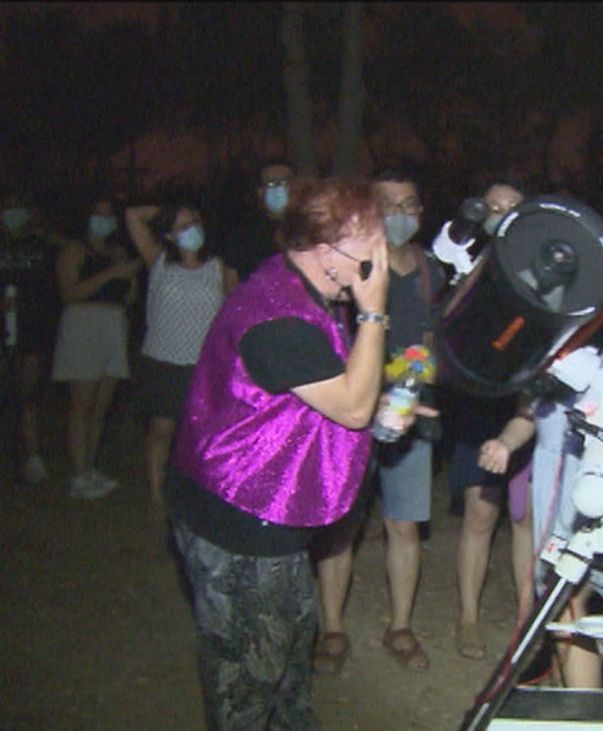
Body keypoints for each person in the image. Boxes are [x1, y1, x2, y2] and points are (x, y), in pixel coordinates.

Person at [168, 176, 420, 729]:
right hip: (239, 522)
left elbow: (323, 390)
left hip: (266, 514)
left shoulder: (305, 287)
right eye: (369, 248)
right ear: (328, 251)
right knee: (249, 677)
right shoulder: (277, 317)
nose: (377, 260)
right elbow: (350, 407)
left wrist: (376, 403)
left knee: (287, 660)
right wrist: (375, 311)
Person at [312, 169, 445, 674]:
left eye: (410, 205)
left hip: (412, 417)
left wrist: (417, 385)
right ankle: (331, 629)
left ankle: (401, 625)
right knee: (340, 527)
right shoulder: (350, 266)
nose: (400, 214)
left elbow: (433, 341)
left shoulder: (433, 270)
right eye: (388, 204)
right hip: (348, 415)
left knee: (404, 524)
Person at [477, 303, 603, 689]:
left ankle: (585, 711)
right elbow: (528, 415)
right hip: (552, 484)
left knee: (571, 603)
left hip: (593, 488)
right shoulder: (545, 348)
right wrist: (505, 443)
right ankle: (564, 693)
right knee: (555, 598)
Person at [448, 177, 536, 661]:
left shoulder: (542, 267)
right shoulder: (466, 266)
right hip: (482, 402)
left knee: (526, 517)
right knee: (481, 514)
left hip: (529, 402)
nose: (501, 214)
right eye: (493, 206)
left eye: (513, 206)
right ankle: (467, 618)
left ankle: (528, 619)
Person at [126, 201, 237, 522]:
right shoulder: (158, 261)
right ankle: (157, 496)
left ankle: (203, 495)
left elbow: (232, 310)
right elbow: (134, 215)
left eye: (195, 223)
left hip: (204, 365)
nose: (192, 231)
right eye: (183, 226)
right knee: (161, 431)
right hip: (163, 361)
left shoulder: (217, 266)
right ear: (169, 236)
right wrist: (168, 214)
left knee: (203, 437)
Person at [0, 193, 61, 485]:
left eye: (19, 207)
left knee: (28, 396)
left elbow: (64, 255)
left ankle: (33, 458)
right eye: (7, 208)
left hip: (31, 328)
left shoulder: (39, 245)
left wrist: (44, 233)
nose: (14, 213)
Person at [51, 198, 142, 498]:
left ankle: (90, 468)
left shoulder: (117, 252)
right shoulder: (74, 250)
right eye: (97, 215)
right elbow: (69, 293)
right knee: (82, 404)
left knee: (101, 405)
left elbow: (127, 297)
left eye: (108, 216)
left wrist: (129, 281)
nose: (103, 221)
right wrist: (109, 275)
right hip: (83, 325)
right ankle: (78, 474)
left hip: (112, 324)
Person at [220, 159, 293, 283]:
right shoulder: (242, 233)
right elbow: (231, 281)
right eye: (270, 184)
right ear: (260, 191)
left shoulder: (309, 227)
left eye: (283, 182)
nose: (278, 188)